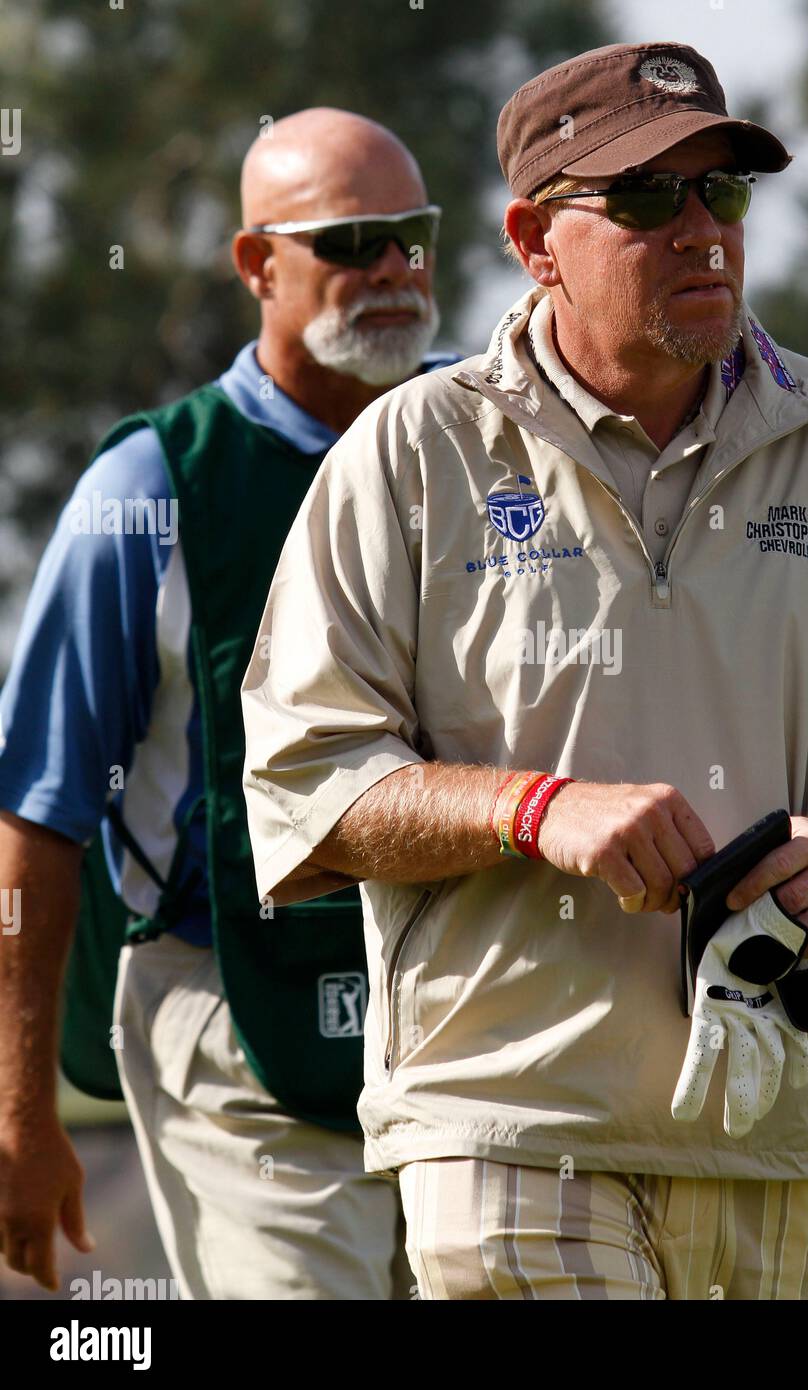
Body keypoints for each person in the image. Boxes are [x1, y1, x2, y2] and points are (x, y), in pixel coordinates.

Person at [240, 43, 808, 1300]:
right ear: (536, 239)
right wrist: (533, 811)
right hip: (507, 1121)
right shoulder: (411, 453)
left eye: (723, 193)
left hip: (778, 1121)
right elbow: (307, 778)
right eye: (648, 199)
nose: (700, 231)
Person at [0, 107, 457, 1299]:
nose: (396, 271)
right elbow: (36, 818)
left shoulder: (489, 440)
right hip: (229, 1012)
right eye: (353, 240)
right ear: (258, 263)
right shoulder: (148, 488)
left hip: (468, 1008)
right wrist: (18, 1115)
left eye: (413, 237)